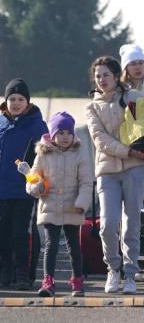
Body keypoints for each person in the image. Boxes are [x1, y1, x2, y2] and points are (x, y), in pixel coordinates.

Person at [85, 56, 144, 295]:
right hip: (107, 171)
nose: (102, 80)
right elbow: (100, 140)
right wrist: (129, 151)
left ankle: (130, 272)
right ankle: (113, 269)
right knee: (108, 224)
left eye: (106, 75)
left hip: (135, 169)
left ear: (116, 76)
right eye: (98, 76)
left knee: (131, 223)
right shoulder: (91, 107)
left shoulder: (133, 97)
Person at [29, 112, 92, 297]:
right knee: (51, 245)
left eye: (68, 133)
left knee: (74, 245)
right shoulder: (42, 153)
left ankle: (77, 280)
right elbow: (33, 177)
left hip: (73, 206)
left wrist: (82, 203)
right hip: (50, 205)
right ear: (52, 134)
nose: (65, 137)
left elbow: (86, 182)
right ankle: (48, 280)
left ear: (73, 135)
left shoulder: (79, 152)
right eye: (61, 132)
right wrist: (37, 187)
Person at [0, 78, 48, 290]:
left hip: (24, 190)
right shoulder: (1, 123)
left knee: (21, 233)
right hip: (2, 190)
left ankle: (23, 275)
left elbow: (47, 155)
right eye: (12, 99)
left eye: (20, 99)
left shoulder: (38, 125)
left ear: (27, 103)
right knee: (3, 232)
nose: (16, 103)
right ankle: (5, 274)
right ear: (5, 101)